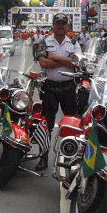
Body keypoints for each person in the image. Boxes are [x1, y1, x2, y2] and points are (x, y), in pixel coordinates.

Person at [35, 13, 81, 172]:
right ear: (53, 25)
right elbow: (43, 62)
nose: (60, 25)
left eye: (63, 23)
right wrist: (65, 61)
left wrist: (54, 58)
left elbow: (77, 64)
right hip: (50, 87)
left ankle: (71, 159)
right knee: (46, 124)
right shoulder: (43, 41)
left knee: (72, 125)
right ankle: (43, 156)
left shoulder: (74, 42)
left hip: (69, 87)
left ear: (67, 25)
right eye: (58, 23)